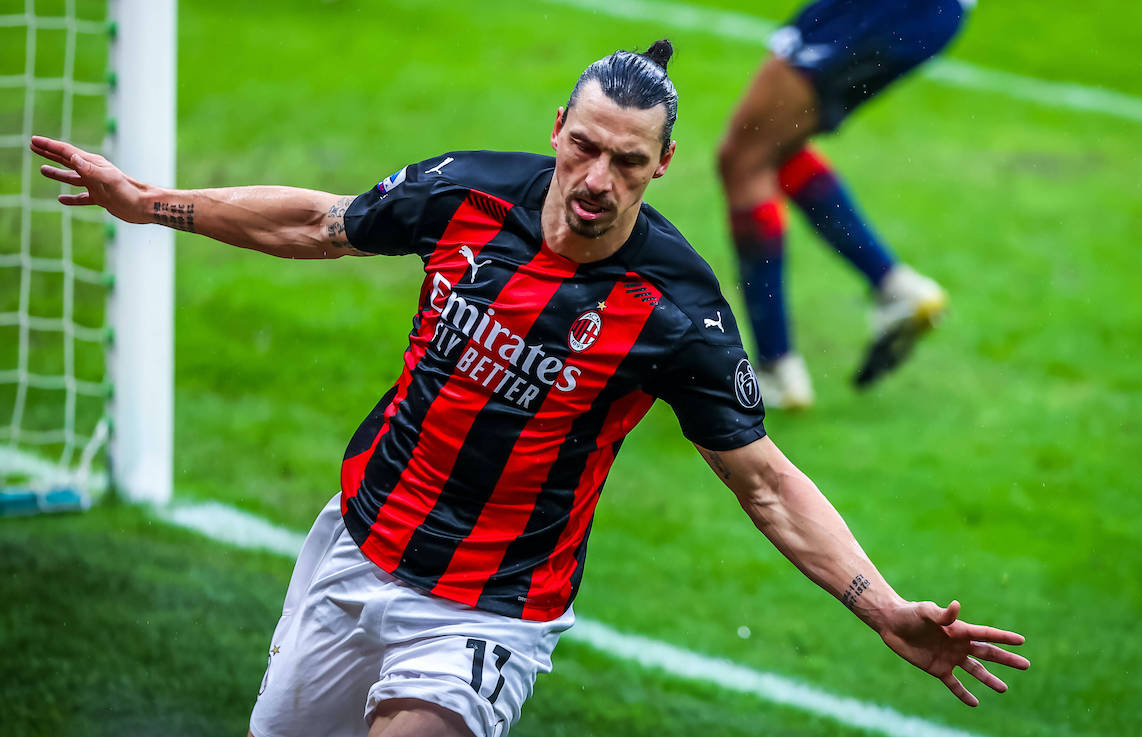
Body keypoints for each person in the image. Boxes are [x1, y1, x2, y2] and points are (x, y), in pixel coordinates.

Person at [32, 39, 1026, 737]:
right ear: (559, 127)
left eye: (627, 162)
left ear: (663, 166)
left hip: (489, 608)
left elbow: (763, 480)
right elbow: (321, 222)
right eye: (584, 146)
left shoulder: (676, 307)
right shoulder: (465, 191)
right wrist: (149, 203)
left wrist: (882, 603)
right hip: (356, 544)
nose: (597, 177)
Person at [718, 0, 972, 408]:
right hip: (924, 15)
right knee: (774, 147)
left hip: (885, 11)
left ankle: (776, 368)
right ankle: (895, 288)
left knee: (744, 159)